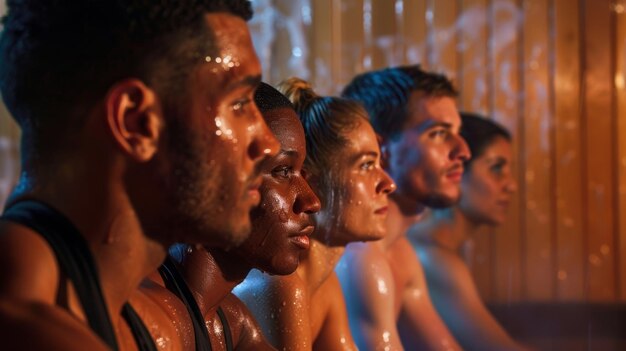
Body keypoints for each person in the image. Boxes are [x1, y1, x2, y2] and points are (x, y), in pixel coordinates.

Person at [0, 1, 278, 350]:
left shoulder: (148, 318)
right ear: (135, 122)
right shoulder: (29, 330)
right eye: (239, 102)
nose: (267, 144)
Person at [150, 82, 321, 351]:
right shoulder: (155, 315)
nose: (311, 201)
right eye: (283, 171)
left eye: (302, 173)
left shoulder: (232, 321)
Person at [234, 77, 396, 351]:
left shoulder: (325, 282)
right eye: (366, 165)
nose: (388, 183)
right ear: (313, 180)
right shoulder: (280, 286)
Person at [337, 65, 469, 350]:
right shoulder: (360, 256)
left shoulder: (399, 253)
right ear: (381, 150)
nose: (463, 151)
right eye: (438, 133)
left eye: (458, 132)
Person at [409, 112, 526, 351]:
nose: (511, 185)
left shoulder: (436, 250)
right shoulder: (432, 257)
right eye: (496, 169)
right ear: (457, 170)